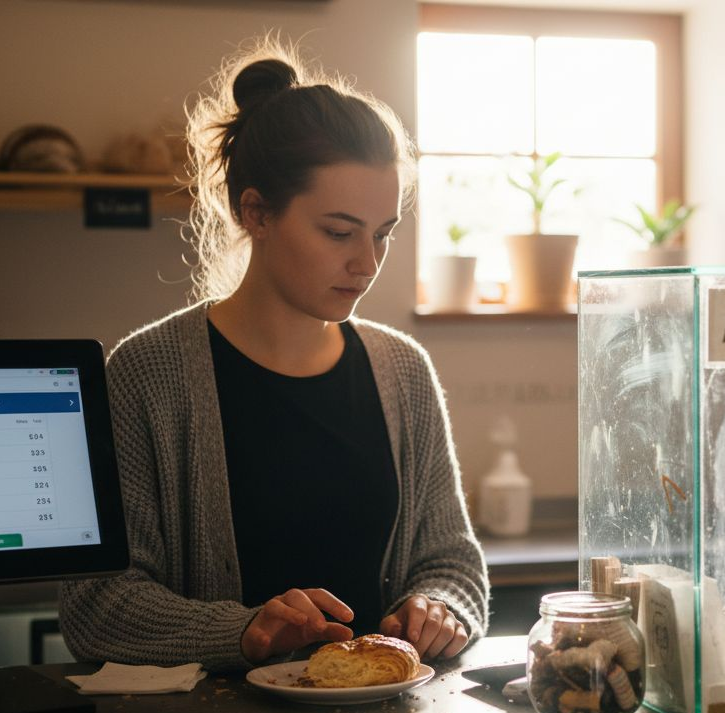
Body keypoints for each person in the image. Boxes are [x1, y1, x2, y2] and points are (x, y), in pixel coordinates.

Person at [59, 38, 489, 670]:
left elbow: (451, 562)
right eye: (338, 232)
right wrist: (244, 632)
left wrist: (440, 608)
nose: (367, 263)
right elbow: (98, 606)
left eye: (383, 234)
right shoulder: (146, 374)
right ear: (255, 212)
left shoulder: (402, 370)